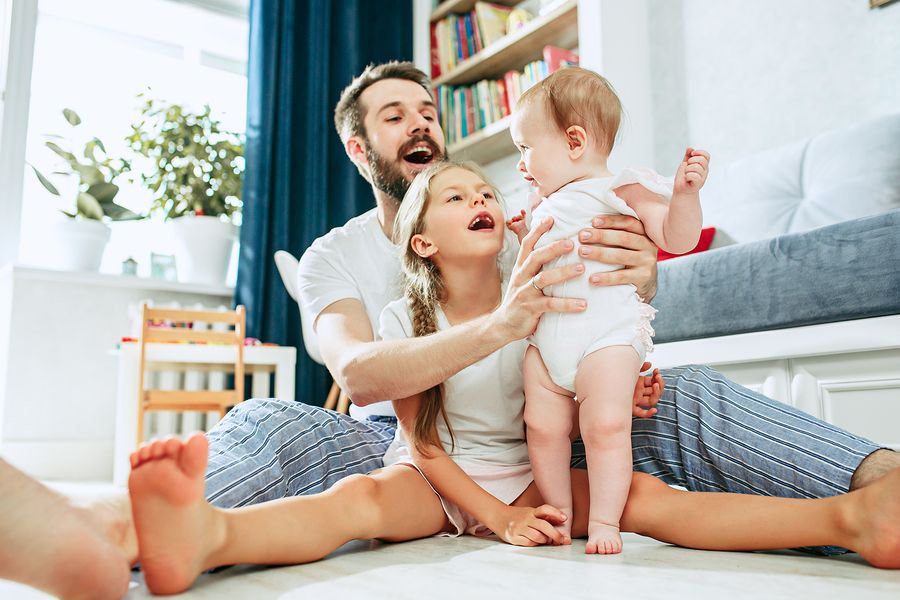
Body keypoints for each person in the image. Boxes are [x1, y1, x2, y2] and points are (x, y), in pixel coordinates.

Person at [125, 161, 900, 595]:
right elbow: (422, 445)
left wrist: (619, 393)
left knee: (649, 500)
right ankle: (210, 533)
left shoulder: (546, 301)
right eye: (456, 196)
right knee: (355, 500)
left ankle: (852, 519)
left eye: (488, 192)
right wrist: (495, 521)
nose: (481, 199)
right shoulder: (407, 322)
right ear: (422, 242)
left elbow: (566, 390)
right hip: (434, 479)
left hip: (534, 472)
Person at [504, 67, 709, 553]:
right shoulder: (543, 202)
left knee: (606, 426)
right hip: (547, 339)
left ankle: (604, 523)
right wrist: (521, 238)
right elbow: (539, 260)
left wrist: (684, 197)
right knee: (543, 426)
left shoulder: (622, 188)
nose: (520, 165)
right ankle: (560, 514)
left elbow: (675, 239)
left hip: (605, 336)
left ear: (574, 141)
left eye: (525, 149)